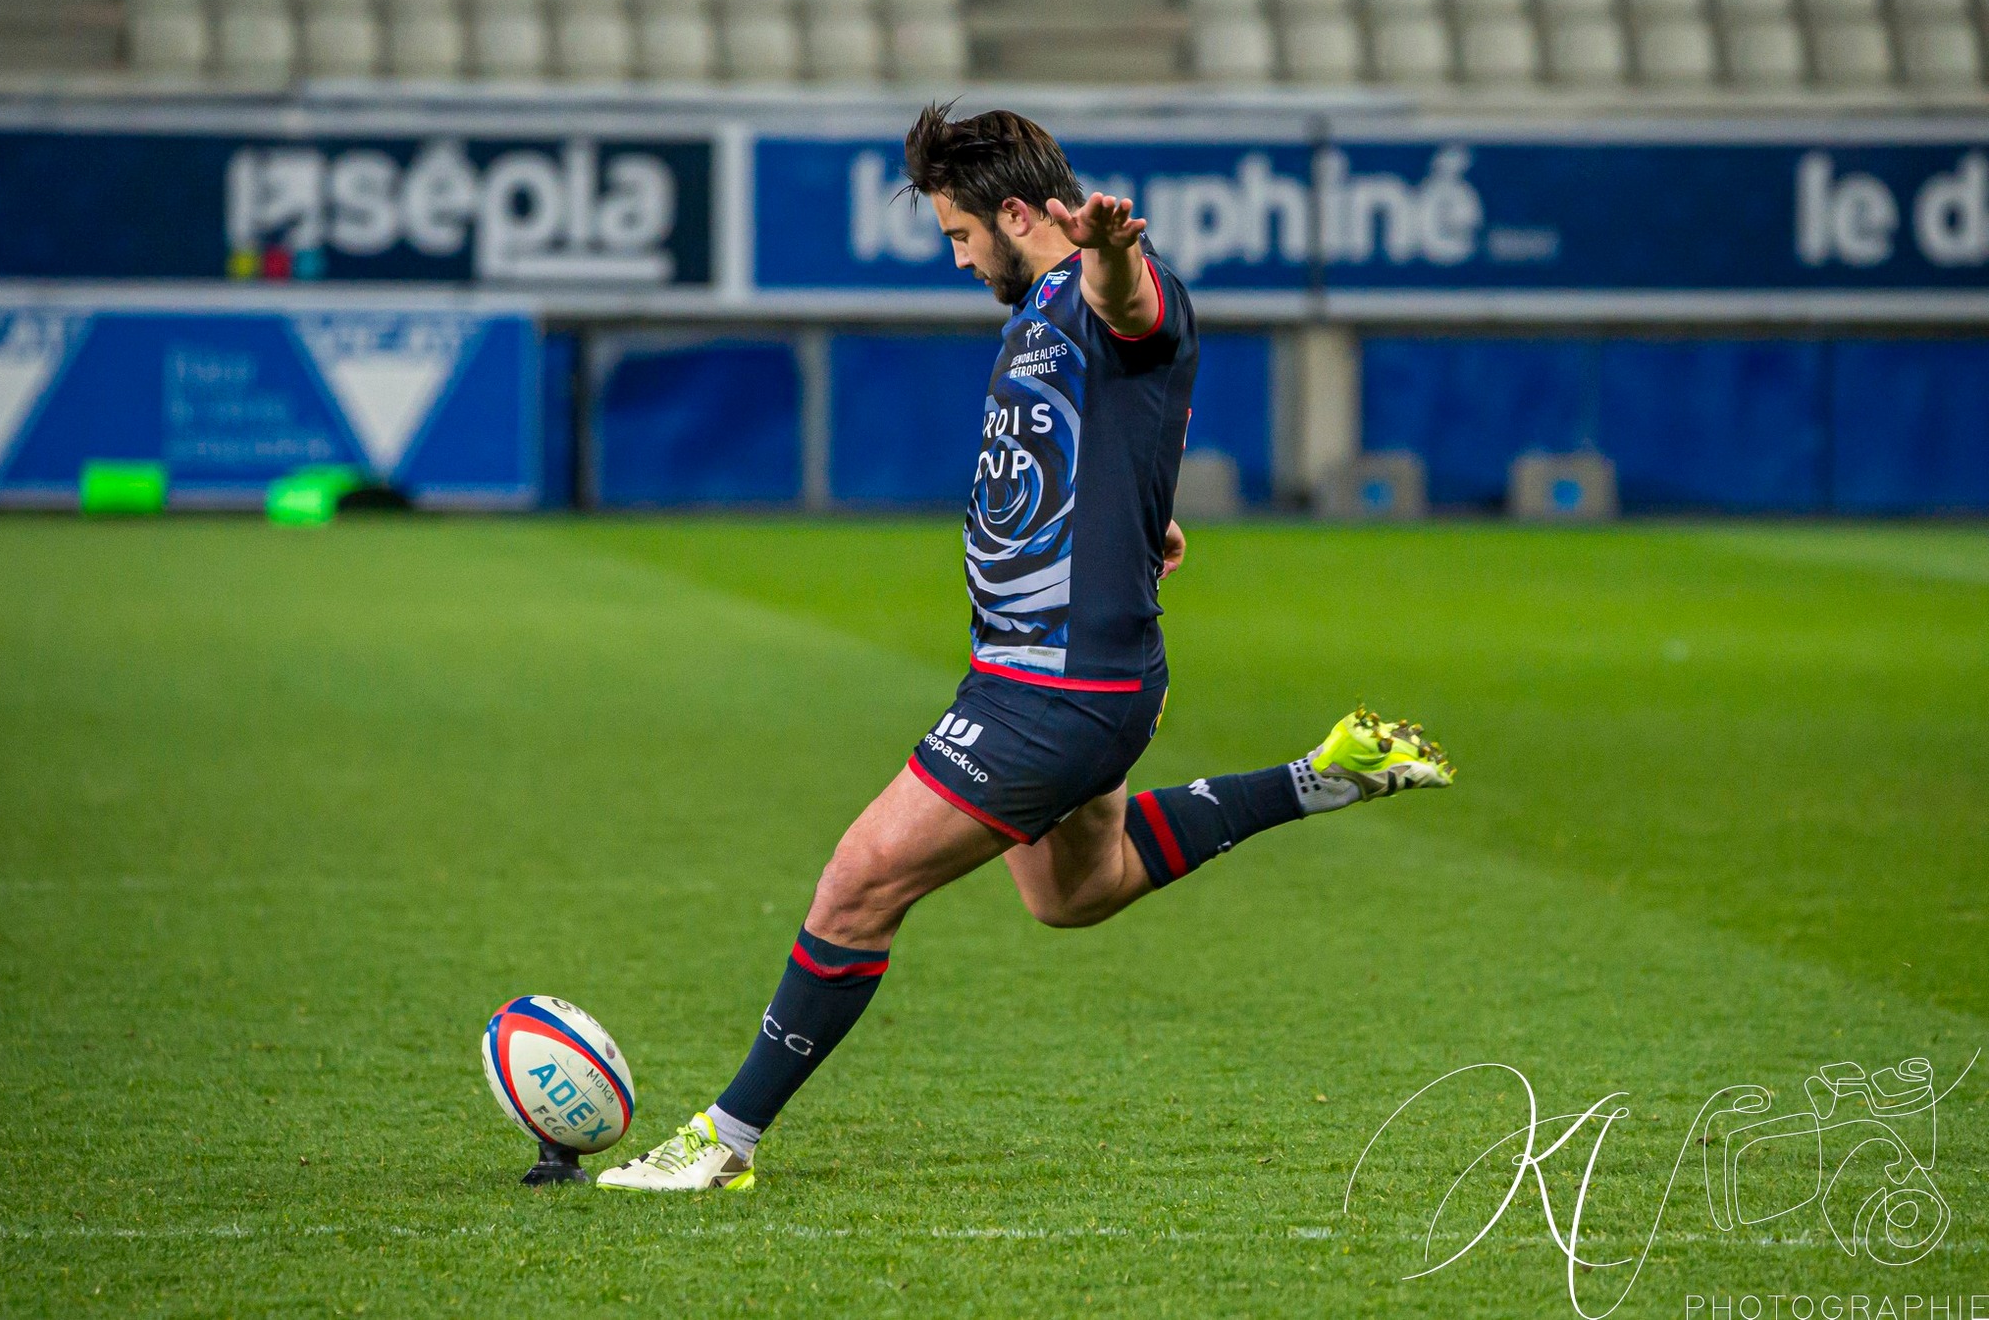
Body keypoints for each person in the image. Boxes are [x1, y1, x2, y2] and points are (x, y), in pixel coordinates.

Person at [598, 103, 1454, 1193]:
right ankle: (1321, 776)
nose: (959, 260)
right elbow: (1114, 435)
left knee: (857, 883)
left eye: (961, 235)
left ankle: (725, 1140)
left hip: (1053, 689)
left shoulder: (1108, 290)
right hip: (1057, 673)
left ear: (1016, 214)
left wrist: (1110, 255)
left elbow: (1131, 309)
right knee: (1073, 891)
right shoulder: (1037, 320)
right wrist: (1144, 519)